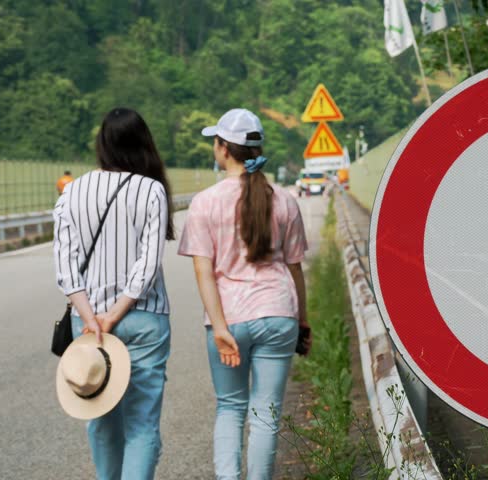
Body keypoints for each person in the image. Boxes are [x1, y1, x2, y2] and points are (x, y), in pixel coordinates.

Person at [177, 108, 310, 480]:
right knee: (265, 413)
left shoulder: (205, 202)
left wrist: (219, 328)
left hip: (230, 320)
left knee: (230, 407)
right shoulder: (284, 200)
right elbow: (295, 267)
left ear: (222, 148)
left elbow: (203, 271)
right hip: (279, 312)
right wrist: (302, 321)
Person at [52, 107, 176, 479]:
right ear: (144, 146)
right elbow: (149, 262)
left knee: (102, 420)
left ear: (102, 145)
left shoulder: (72, 192)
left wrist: (92, 317)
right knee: (141, 423)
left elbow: (65, 266)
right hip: (144, 318)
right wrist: (118, 311)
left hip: (88, 325)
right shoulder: (152, 190)